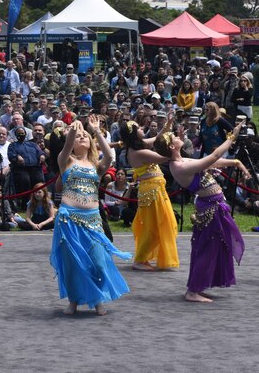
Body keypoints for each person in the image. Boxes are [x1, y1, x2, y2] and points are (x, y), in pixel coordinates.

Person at [154, 121, 248, 303]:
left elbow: (211, 161)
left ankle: (201, 285)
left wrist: (234, 162)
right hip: (210, 210)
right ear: (172, 146)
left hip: (214, 207)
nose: (177, 136)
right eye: (174, 137)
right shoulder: (180, 167)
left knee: (216, 247)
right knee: (208, 249)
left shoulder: (183, 161)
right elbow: (213, 157)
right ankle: (192, 291)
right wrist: (232, 137)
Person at [50, 116, 131, 316]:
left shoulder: (96, 165)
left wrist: (95, 130)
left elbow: (110, 156)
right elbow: (67, 146)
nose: (82, 138)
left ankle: (98, 299)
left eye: (84, 137)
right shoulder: (65, 161)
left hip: (93, 220)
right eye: (79, 137)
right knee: (73, 264)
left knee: (98, 262)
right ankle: (74, 301)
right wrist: (73, 131)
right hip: (69, 219)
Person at [120, 114, 179, 271]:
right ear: (134, 134)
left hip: (155, 190)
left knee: (159, 224)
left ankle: (142, 258)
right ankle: (139, 260)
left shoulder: (138, 146)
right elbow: (163, 157)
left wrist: (167, 126)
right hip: (152, 192)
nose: (141, 129)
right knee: (153, 227)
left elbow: (156, 139)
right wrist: (175, 145)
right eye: (138, 128)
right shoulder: (138, 152)